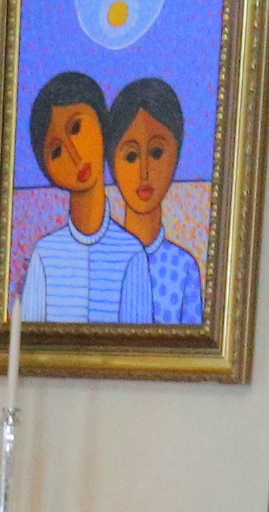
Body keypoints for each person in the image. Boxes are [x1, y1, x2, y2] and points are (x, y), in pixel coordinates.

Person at [12, 72, 133, 326]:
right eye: (56, 151)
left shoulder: (131, 254)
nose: (74, 156)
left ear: (102, 123)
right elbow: (30, 341)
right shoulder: (44, 256)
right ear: (46, 168)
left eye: (77, 128)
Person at [107, 76, 204, 328]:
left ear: (176, 156)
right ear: (112, 164)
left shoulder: (183, 268)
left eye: (157, 153)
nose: (144, 173)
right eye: (131, 156)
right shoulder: (101, 263)